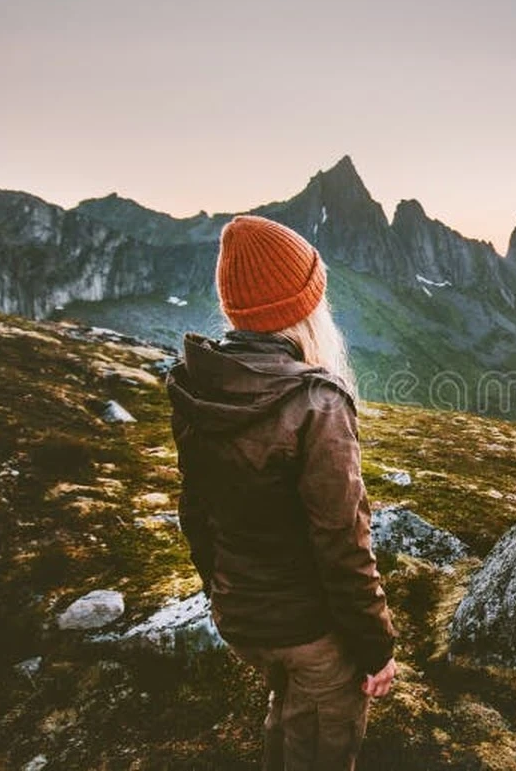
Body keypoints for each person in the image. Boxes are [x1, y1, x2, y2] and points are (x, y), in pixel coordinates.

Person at [166, 214, 397, 771]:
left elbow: (194, 513)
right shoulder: (316, 401)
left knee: (289, 714)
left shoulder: (199, 382)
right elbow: (342, 541)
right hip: (309, 630)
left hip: (243, 618)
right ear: (302, 307)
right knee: (322, 743)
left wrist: (226, 592)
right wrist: (377, 646)